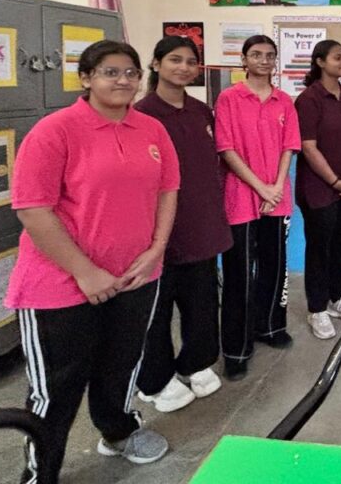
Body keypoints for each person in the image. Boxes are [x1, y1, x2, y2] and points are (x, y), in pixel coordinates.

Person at [6, 40, 178, 481]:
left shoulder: (151, 130)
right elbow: (33, 209)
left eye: (130, 73)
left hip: (136, 276)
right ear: (85, 78)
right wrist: (85, 271)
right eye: (110, 72)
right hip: (61, 284)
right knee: (57, 387)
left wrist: (156, 250)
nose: (123, 81)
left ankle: (118, 431)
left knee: (121, 365)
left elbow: (167, 191)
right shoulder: (55, 130)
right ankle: (40, 473)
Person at [133, 36, 231, 412]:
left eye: (191, 62)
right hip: (157, 230)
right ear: (156, 64)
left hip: (201, 224)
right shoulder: (141, 115)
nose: (184, 68)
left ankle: (196, 363)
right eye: (175, 60)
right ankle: (155, 380)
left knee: (202, 302)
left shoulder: (201, 111)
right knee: (156, 311)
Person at [214, 35, 301, 380]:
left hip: (277, 198)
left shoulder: (284, 101)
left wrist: (276, 187)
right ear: (244, 60)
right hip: (242, 198)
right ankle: (236, 350)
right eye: (256, 55)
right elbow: (226, 149)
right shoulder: (229, 98)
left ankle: (270, 327)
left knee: (275, 268)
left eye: (269, 55)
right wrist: (260, 187)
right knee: (239, 275)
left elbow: (289, 147)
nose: (264, 60)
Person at [295, 39, 341, 339]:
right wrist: (335, 181)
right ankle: (317, 308)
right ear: (320, 62)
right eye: (338, 57)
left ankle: (338, 298)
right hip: (319, 188)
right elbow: (308, 147)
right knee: (320, 248)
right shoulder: (309, 99)